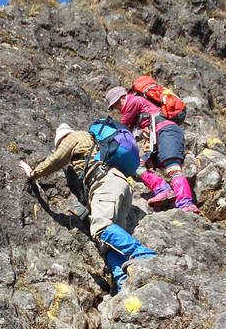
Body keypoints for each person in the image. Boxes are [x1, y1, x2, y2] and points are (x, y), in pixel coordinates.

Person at [18, 123, 156, 290]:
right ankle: (122, 283)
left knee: (101, 227)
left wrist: (33, 173)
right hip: (118, 184)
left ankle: (143, 253)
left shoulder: (73, 137)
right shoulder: (92, 142)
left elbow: (57, 159)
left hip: (104, 182)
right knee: (108, 244)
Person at [105, 86, 200, 213]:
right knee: (137, 166)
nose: (117, 108)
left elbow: (122, 127)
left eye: (116, 104)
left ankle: (186, 203)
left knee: (172, 167)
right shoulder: (136, 107)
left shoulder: (133, 101)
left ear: (122, 97)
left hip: (167, 132)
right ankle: (163, 190)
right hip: (155, 139)